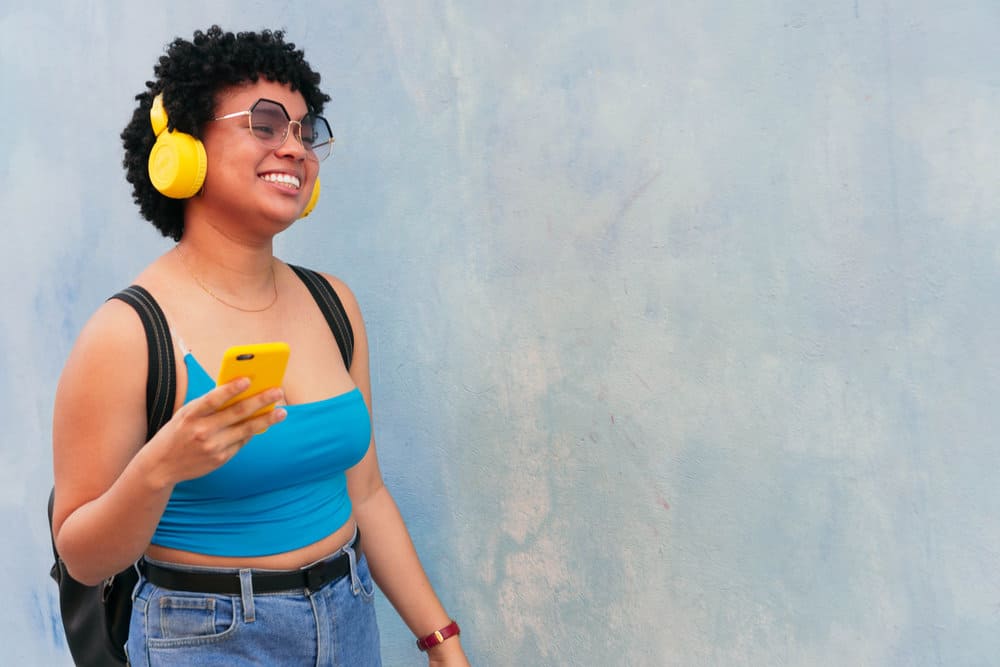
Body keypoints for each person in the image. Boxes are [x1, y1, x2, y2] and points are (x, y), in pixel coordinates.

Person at [50, 25, 469, 666]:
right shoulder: (128, 332)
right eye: (267, 125)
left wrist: (442, 642)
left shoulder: (335, 304)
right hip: (207, 636)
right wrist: (160, 466)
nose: (295, 149)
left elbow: (368, 495)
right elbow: (80, 556)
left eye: (306, 130)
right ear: (184, 149)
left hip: (348, 614)